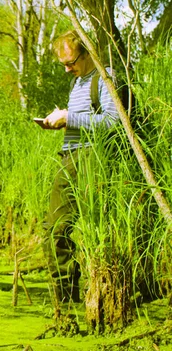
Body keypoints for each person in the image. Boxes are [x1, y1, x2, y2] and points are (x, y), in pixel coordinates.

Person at [41, 30, 119, 304]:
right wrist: (58, 120)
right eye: (63, 64)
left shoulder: (105, 77)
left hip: (92, 158)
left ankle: (103, 296)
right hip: (68, 158)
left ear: (87, 53)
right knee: (53, 231)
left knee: (95, 231)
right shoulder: (77, 82)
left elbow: (113, 123)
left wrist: (69, 117)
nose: (66, 69)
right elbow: (81, 118)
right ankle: (66, 301)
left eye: (71, 62)